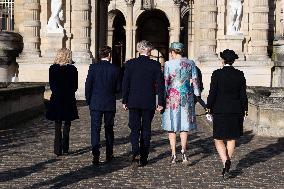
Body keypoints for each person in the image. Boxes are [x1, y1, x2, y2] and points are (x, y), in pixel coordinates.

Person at [206, 49, 248, 179]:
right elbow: (243, 95)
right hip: (236, 110)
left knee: (218, 138)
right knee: (231, 138)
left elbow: (212, 93)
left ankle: (225, 161)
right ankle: (227, 162)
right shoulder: (240, 74)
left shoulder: (217, 73)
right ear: (233, 60)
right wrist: (245, 110)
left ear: (223, 60)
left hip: (220, 109)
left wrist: (208, 108)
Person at [122, 40, 164, 167]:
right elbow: (160, 86)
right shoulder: (155, 65)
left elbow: (126, 83)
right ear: (148, 50)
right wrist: (160, 102)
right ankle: (144, 157)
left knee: (134, 128)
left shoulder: (130, 64)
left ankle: (135, 151)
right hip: (148, 102)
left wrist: (124, 100)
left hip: (133, 101)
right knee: (146, 129)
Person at [162, 42, 200, 165]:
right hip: (186, 96)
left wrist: (163, 97)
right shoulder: (191, 63)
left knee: (171, 125)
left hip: (172, 96)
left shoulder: (168, 64)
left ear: (173, 52)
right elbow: (195, 80)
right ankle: (183, 150)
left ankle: (173, 153)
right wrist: (197, 93)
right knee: (185, 124)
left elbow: (166, 82)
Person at [85, 46, 121, 166]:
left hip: (95, 103)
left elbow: (88, 85)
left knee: (95, 129)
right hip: (109, 103)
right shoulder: (115, 69)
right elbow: (118, 88)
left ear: (100, 55)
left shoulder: (93, 67)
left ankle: (95, 155)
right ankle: (109, 153)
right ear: (109, 55)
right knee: (109, 129)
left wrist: (89, 101)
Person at [46, 48, 79, 156]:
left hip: (57, 98)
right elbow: (75, 86)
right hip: (68, 98)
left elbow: (52, 85)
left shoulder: (52, 68)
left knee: (57, 124)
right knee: (67, 124)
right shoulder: (73, 69)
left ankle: (57, 149)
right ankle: (65, 147)